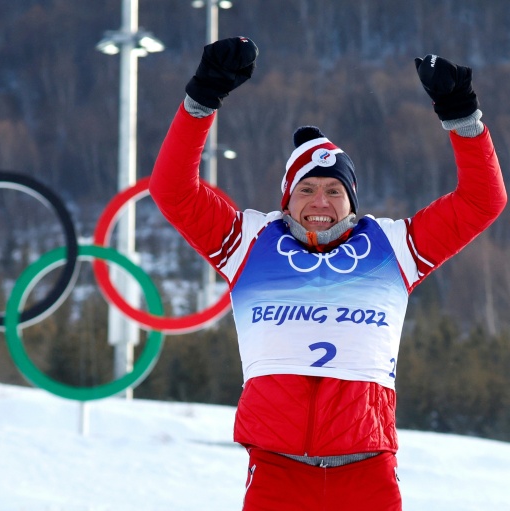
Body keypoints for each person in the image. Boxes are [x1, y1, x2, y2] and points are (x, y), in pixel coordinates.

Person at [149, 36, 506, 511]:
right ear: (287, 200)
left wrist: (463, 118)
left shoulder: (392, 247)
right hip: (277, 470)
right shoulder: (248, 242)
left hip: (368, 472)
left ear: (352, 201)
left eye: (335, 190)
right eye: (307, 189)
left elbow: (483, 201)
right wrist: (202, 99)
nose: (320, 202)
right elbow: (172, 190)